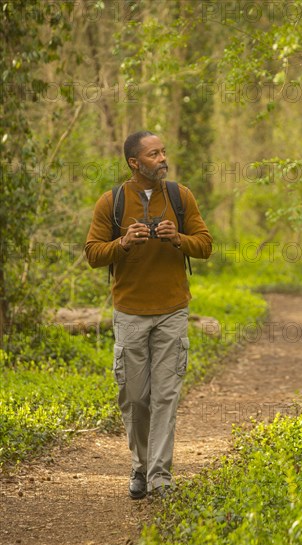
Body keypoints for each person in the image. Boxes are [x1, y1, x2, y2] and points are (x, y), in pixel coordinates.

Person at [85, 131, 212, 499]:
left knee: (166, 397)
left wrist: (178, 239)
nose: (162, 159)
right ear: (134, 163)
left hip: (173, 311)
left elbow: (205, 245)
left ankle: (160, 476)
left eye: (163, 152)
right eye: (153, 154)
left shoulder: (180, 196)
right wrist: (123, 242)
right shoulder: (111, 202)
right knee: (135, 397)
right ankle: (139, 467)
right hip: (130, 313)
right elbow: (93, 253)